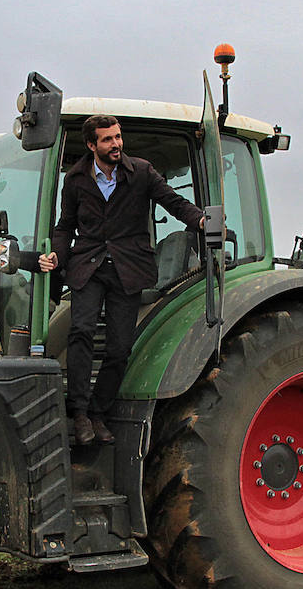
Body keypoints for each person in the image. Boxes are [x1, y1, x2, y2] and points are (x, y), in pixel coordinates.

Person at [48, 114, 204, 445]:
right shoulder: (76, 180)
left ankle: (98, 413)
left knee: (119, 348)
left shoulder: (142, 172)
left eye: (118, 137)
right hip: (88, 267)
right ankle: (78, 413)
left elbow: (173, 202)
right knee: (81, 333)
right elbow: (65, 226)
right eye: (107, 139)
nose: (116, 144)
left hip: (127, 268)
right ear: (92, 145)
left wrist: (201, 220)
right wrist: (58, 256)